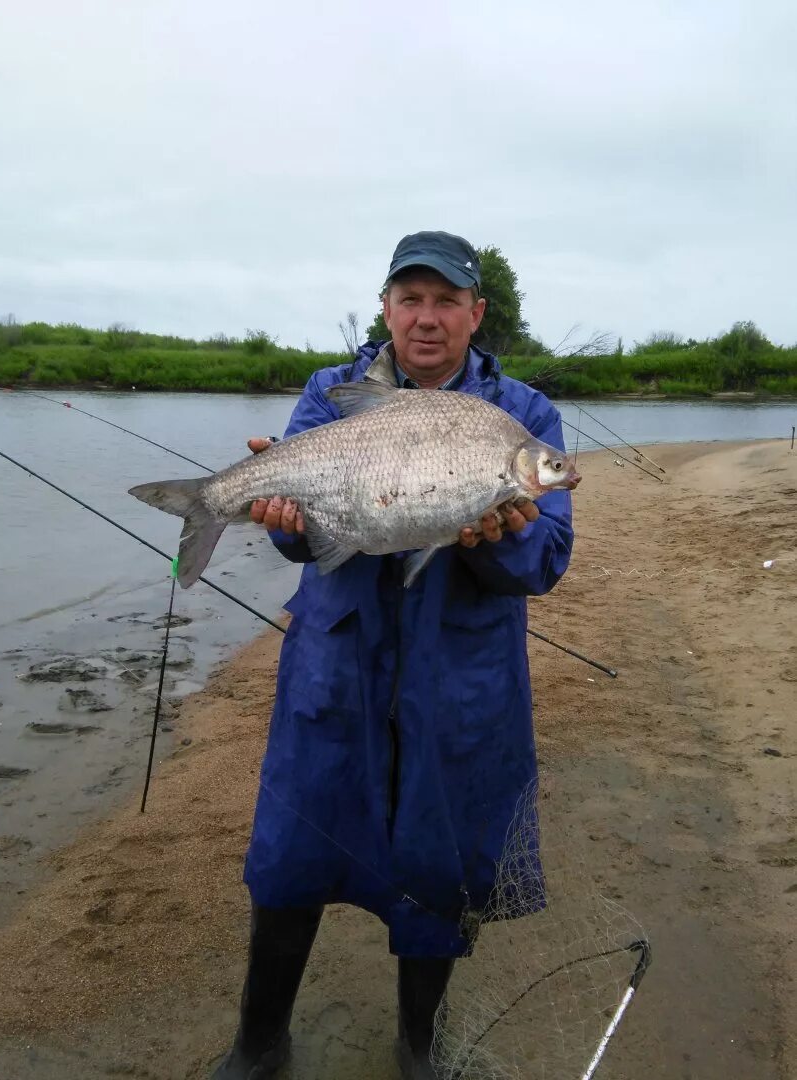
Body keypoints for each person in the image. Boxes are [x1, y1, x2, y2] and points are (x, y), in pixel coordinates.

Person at [213, 231, 575, 1080]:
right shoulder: (330, 397)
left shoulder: (521, 415)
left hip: (464, 682)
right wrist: (290, 525)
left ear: (475, 315)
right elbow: (306, 545)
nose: (426, 318)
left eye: (446, 301)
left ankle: (420, 1045)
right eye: (409, 299)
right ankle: (259, 1044)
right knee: (290, 851)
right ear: (385, 308)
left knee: (440, 861)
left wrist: (488, 540)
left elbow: (546, 558)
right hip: (335, 668)